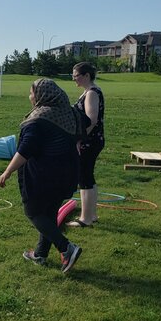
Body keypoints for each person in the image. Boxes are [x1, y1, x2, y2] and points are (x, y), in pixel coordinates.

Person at [0, 79, 82, 273]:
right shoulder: (69, 113)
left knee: (33, 212)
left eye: (31, 93)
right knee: (49, 213)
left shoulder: (39, 119)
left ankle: (67, 248)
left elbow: (26, 149)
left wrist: (7, 171)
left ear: (41, 95)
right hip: (67, 173)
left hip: (44, 175)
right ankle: (40, 254)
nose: (29, 97)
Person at [68, 62, 105, 227]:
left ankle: (86, 219)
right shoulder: (89, 92)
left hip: (90, 142)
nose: (74, 79)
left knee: (84, 178)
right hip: (92, 140)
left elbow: (92, 119)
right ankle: (92, 215)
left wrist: (80, 139)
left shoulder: (91, 93)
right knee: (87, 176)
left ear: (86, 76)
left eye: (76, 75)